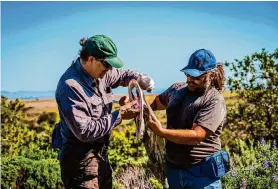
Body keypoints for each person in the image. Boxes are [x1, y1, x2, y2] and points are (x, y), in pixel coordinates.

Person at [54, 34, 154, 189]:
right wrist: (119, 115)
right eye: (107, 64)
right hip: (80, 162)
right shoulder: (71, 86)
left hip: (101, 155)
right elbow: (84, 131)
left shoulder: (101, 73)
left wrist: (140, 79)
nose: (109, 70)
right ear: (91, 59)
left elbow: (122, 75)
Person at [146, 49, 227, 189]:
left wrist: (161, 131)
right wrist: (135, 103)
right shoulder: (176, 89)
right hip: (175, 172)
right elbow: (155, 103)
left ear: (210, 75)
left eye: (196, 76)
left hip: (202, 176)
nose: (190, 79)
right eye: (188, 74)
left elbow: (197, 135)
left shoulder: (214, 100)